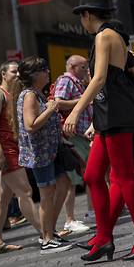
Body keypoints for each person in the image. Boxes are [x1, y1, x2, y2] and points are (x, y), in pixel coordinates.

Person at [64, 0, 134, 261]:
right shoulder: (116, 36)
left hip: (116, 114)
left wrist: (76, 111)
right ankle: (104, 238)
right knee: (92, 176)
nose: (82, 20)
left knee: (125, 177)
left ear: (87, 15)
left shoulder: (104, 36)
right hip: (109, 114)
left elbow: (100, 77)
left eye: (81, 16)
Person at [15, 57, 73, 254]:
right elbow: (31, 125)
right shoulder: (29, 95)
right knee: (47, 193)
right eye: (43, 69)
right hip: (39, 153)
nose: (48, 72)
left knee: (62, 183)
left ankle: (50, 231)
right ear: (34, 75)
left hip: (49, 150)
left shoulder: (37, 94)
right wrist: (50, 109)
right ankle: (47, 238)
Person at [0, 61, 41, 256]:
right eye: (14, 71)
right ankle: (46, 234)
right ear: (3, 74)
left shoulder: (13, 94)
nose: (18, 74)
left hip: (10, 148)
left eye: (19, 71)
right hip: (2, 150)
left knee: (2, 197)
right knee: (25, 191)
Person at [52, 55, 92, 235]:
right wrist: (82, 101)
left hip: (81, 135)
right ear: (74, 67)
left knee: (86, 175)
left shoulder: (78, 82)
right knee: (72, 179)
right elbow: (58, 103)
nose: (86, 70)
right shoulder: (66, 80)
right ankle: (69, 219)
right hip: (73, 135)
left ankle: (91, 211)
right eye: (84, 67)